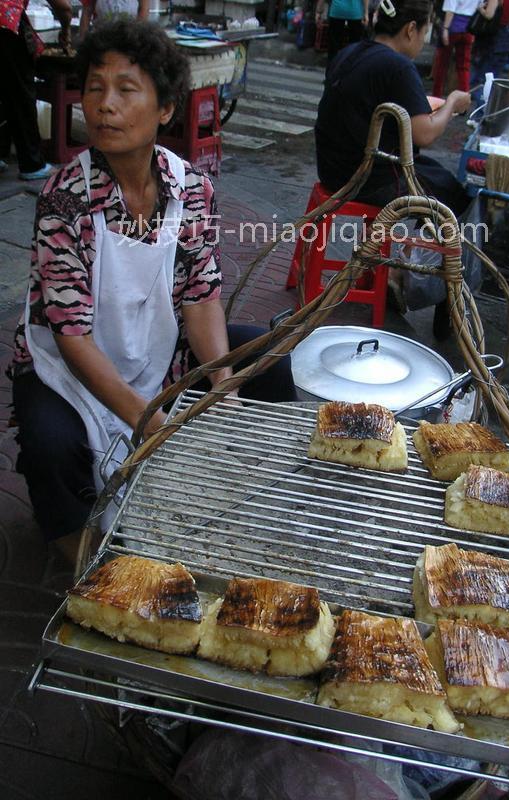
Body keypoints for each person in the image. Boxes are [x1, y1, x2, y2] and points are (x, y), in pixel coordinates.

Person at [10, 18, 296, 563]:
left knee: (271, 362)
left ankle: (258, 498)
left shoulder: (191, 188)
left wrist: (224, 387)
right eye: (95, 89)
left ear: (165, 107)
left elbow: (201, 296)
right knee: (50, 443)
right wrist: (152, 422)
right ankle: (79, 549)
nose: (104, 106)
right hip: (73, 369)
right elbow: (72, 337)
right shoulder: (66, 197)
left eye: (125, 89)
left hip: (157, 352)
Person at [315, 0, 471, 213]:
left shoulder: (350, 51)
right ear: (410, 29)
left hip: (330, 169)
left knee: (433, 170)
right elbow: (424, 135)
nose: (423, 42)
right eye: (424, 33)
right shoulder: (399, 67)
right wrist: (451, 102)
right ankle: (419, 246)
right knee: (453, 192)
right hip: (365, 181)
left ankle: (393, 245)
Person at [0, 0, 72, 180]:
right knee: (20, 94)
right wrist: (66, 28)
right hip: (5, 26)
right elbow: (63, 7)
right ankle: (32, 164)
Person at [470, 0, 509, 107]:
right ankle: (486, 110)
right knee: (493, 79)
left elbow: (489, 15)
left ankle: (481, 109)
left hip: (491, 39)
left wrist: (480, 8)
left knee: (480, 79)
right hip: (505, 39)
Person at [432, 0, 479, 97]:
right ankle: (464, 98)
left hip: (453, 26)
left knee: (442, 64)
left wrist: (445, 28)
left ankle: (436, 96)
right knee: (463, 66)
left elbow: (450, 8)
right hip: (469, 27)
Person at [78, 0, 148, 40]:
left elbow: (143, 10)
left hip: (130, 38)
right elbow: (87, 12)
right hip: (101, 39)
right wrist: (83, 40)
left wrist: (138, 39)